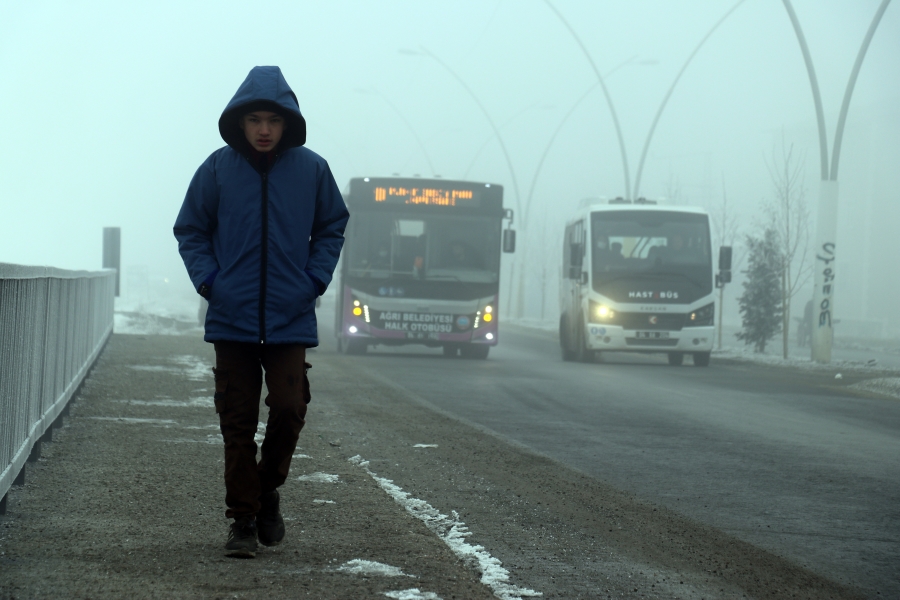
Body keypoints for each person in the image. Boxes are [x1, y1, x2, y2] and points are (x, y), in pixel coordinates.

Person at [173, 66, 349, 558]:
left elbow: (332, 225)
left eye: (273, 119)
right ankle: (243, 522)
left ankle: (267, 487)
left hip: (290, 317)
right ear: (240, 122)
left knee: (290, 410)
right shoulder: (216, 169)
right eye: (254, 119)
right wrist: (211, 282)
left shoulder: (312, 170)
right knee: (237, 420)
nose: (264, 129)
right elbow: (190, 229)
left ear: (288, 122)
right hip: (232, 318)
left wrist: (313, 281)